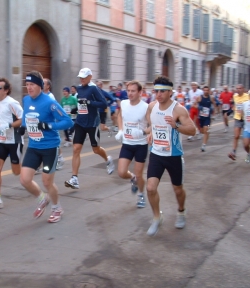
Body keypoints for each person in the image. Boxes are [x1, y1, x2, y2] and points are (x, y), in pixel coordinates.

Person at [19, 71, 73, 223]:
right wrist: (23, 127)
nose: (29, 88)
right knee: (24, 179)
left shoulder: (50, 103)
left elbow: (68, 122)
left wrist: (48, 125)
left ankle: (57, 208)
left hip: (50, 148)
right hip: (34, 146)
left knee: (47, 182)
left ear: (40, 86)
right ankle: (42, 198)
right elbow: (26, 115)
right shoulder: (26, 100)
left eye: (32, 85)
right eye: (27, 84)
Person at [145, 76, 196, 236]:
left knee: (178, 189)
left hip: (173, 155)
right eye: (156, 91)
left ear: (170, 92)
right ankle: (156, 217)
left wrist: (176, 125)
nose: (158, 94)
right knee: (150, 188)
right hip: (156, 154)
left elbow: (192, 130)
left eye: (162, 91)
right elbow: (151, 122)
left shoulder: (178, 110)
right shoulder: (152, 106)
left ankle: (181, 211)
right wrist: (151, 132)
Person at [64, 68, 114, 190]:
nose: (82, 79)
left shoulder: (94, 88)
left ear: (90, 76)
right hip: (80, 122)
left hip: (92, 124)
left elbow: (103, 104)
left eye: (84, 77)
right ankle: (74, 178)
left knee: (95, 149)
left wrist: (90, 102)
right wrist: (75, 110)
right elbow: (81, 104)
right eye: (80, 77)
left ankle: (108, 159)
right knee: (76, 149)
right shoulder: (79, 88)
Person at [0, 78, 24, 210]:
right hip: (1, 141)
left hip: (14, 141)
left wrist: (9, 125)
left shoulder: (12, 103)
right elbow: (1, 121)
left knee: (16, 172)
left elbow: (22, 120)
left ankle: (29, 169)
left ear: (6, 90)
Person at [115, 80, 149, 208]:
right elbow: (119, 116)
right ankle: (132, 178)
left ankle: (141, 195)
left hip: (141, 145)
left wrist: (142, 132)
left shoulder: (146, 107)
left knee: (140, 174)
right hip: (127, 143)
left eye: (133, 91)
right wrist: (120, 130)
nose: (130, 93)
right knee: (122, 172)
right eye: (128, 91)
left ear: (140, 92)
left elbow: (153, 126)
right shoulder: (123, 103)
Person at [228, 84, 250, 160]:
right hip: (237, 118)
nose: (238, 90)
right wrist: (230, 111)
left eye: (240, 88)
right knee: (236, 136)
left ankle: (248, 152)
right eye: (237, 88)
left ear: (243, 89)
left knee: (247, 138)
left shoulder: (247, 96)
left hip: (246, 119)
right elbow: (235, 105)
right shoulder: (235, 96)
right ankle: (233, 152)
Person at [197, 86, 216, 152]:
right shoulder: (200, 97)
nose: (206, 91)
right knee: (202, 131)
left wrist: (213, 113)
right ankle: (205, 136)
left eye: (207, 90)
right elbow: (194, 104)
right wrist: (199, 107)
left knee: (206, 130)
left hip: (207, 117)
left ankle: (204, 145)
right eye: (205, 90)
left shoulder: (211, 98)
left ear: (209, 91)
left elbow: (214, 105)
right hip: (201, 117)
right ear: (203, 91)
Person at [241, 99, 250, 163]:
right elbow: (241, 112)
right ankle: (249, 154)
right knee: (246, 145)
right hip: (247, 128)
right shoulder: (245, 103)